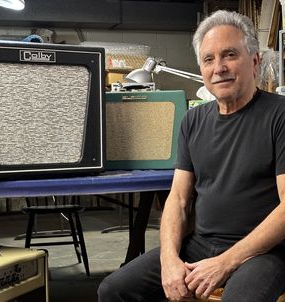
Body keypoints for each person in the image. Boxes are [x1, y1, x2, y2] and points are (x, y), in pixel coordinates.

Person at [97, 10, 285, 302]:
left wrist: (226, 261)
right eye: (209, 59)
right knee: (114, 290)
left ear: (255, 61)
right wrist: (169, 260)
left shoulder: (280, 115)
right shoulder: (192, 120)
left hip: (263, 252)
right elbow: (179, 199)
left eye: (230, 55)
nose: (219, 67)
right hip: (200, 245)